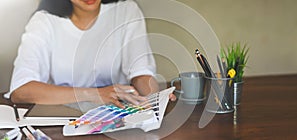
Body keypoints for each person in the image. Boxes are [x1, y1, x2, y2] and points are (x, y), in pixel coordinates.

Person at [8, 0, 175, 109]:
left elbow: (141, 73)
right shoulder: (44, 21)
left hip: (117, 114)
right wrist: (95, 94)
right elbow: (21, 90)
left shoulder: (126, 10)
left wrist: (154, 97)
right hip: (63, 117)